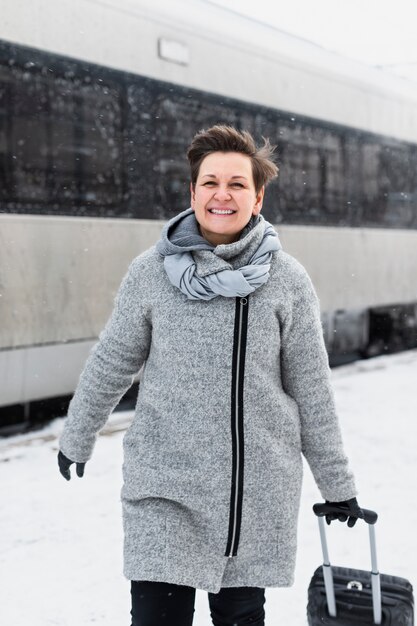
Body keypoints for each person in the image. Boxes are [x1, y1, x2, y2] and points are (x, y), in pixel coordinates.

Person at [58, 125, 363, 626]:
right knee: (158, 615)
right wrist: (78, 432)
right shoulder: (150, 273)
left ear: (258, 197)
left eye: (238, 184)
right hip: (165, 484)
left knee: (240, 615)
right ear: (192, 192)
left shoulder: (286, 280)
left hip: (253, 489)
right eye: (210, 182)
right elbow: (114, 358)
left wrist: (338, 483)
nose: (223, 194)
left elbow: (311, 391)